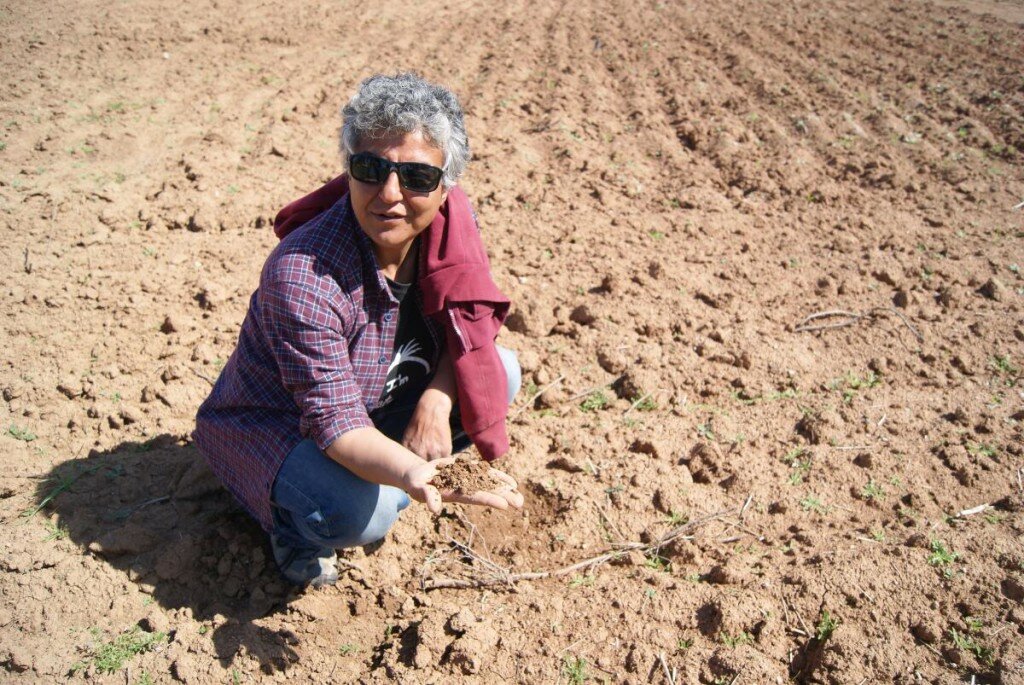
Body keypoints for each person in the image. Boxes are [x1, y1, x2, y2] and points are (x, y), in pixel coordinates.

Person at [194, 73, 523, 588]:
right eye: (370, 169)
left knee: (499, 372)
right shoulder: (304, 275)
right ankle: (295, 527)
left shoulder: (453, 226)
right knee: (362, 514)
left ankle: (387, 471)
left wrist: (436, 401)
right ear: (348, 171)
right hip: (284, 424)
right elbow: (333, 421)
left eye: (416, 177)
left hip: (373, 396)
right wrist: (413, 475)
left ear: (446, 186)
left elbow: (469, 329)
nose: (390, 195)